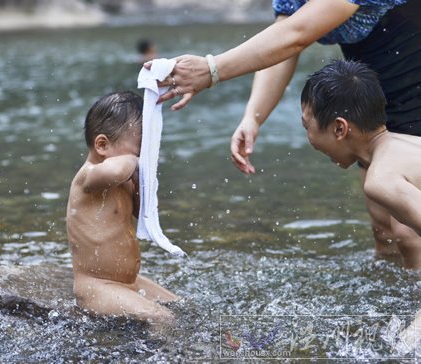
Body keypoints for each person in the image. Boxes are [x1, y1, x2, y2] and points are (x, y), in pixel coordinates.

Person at [148, 0, 421, 264]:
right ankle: (394, 297)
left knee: (407, 233)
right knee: (384, 231)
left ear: (338, 130)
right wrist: (253, 117)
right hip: (366, 101)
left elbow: (297, 34)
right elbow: (285, 37)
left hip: (411, 82)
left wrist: (211, 69)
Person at [66, 91, 179, 325]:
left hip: (129, 282)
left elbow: (143, 214)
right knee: (162, 319)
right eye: (139, 149)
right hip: (96, 286)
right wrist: (135, 162)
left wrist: (139, 184)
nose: (143, 157)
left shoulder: (125, 180)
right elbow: (116, 170)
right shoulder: (88, 177)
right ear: (102, 145)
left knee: (181, 306)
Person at [301, 60, 421, 267]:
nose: (308, 137)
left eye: (306, 125)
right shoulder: (409, 143)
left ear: (340, 128)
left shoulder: (381, 179)